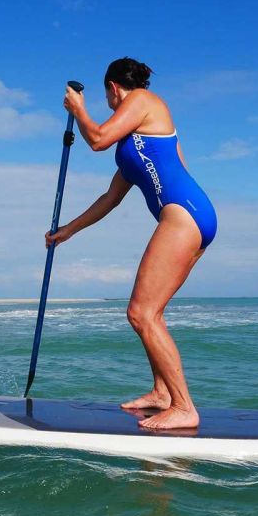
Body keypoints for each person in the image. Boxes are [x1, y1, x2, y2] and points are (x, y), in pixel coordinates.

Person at [46, 57, 218, 430]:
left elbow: (97, 140)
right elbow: (110, 199)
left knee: (140, 313)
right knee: (151, 314)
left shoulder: (140, 100)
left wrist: (78, 110)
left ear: (112, 88)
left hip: (183, 213)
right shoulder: (135, 146)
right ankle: (163, 394)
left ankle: (185, 406)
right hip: (192, 215)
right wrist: (68, 231)